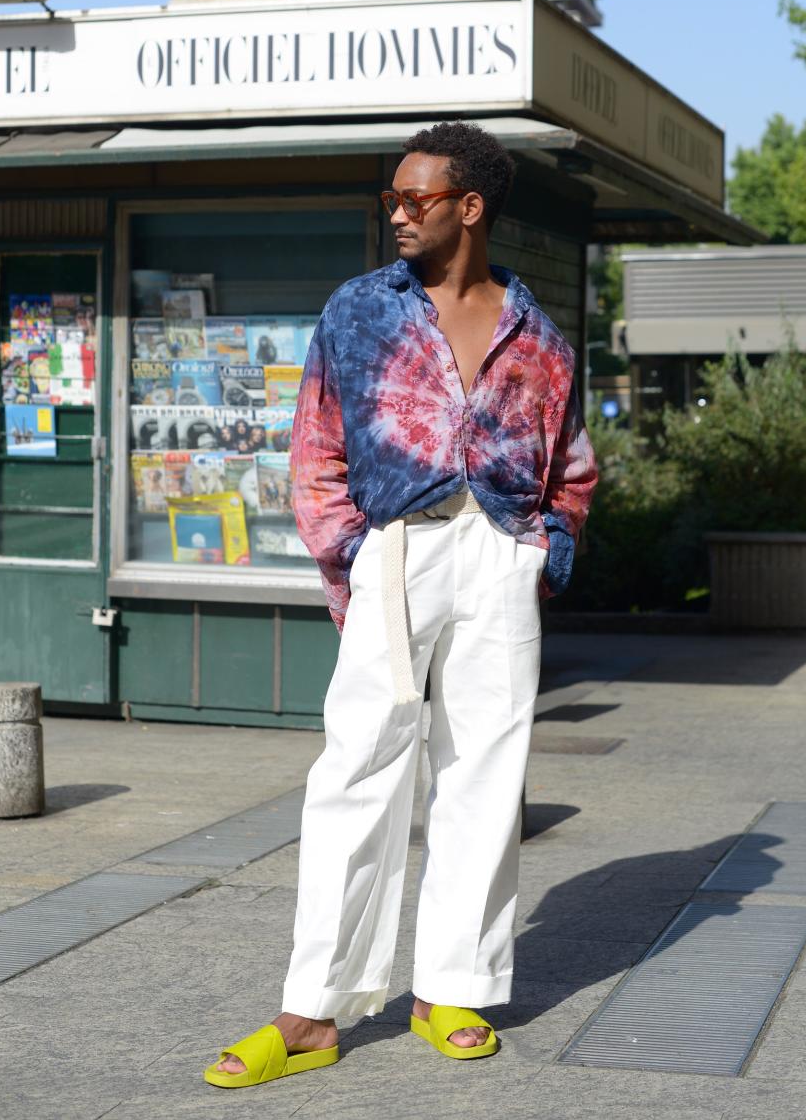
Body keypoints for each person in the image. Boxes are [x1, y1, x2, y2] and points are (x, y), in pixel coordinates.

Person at [204, 121, 598, 1089]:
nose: (395, 211)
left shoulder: (536, 332)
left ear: (469, 207)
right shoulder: (360, 310)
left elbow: (574, 463)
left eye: (412, 197)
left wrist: (540, 551)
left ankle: (450, 984)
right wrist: (349, 550)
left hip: (496, 554)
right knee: (358, 764)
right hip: (396, 547)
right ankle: (315, 1006)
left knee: (485, 770)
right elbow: (315, 445)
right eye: (391, 196)